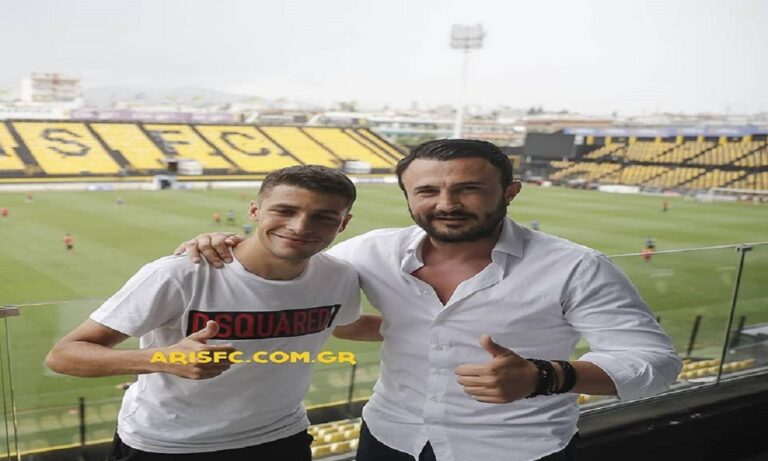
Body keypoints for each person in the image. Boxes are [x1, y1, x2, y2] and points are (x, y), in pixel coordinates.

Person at [177, 139, 682, 461]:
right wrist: (224, 244)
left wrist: (546, 376)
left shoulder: (576, 266)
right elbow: (291, 272)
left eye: (469, 189)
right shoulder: (370, 251)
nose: (446, 204)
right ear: (406, 195)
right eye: (426, 191)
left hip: (514, 449)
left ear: (510, 192)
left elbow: (655, 362)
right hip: (389, 440)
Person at [46, 165, 381, 461]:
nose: (300, 226)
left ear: (343, 224)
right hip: (170, 445)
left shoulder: (338, 276)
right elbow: (63, 356)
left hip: (282, 437)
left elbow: (344, 325)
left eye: (324, 217)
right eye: (285, 210)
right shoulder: (180, 274)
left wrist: (416, 323)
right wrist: (162, 359)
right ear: (254, 210)